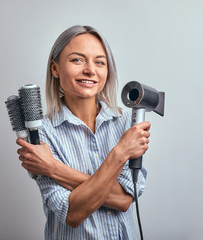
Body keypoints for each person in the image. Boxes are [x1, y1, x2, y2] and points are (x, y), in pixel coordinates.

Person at [16, 25, 150, 239]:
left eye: (99, 62)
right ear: (55, 68)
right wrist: (120, 153)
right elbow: (73, 213)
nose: (90, 70)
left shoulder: (127, 124)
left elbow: (123, 200)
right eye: (77, 60)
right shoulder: (41, 135)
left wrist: (53, 167)